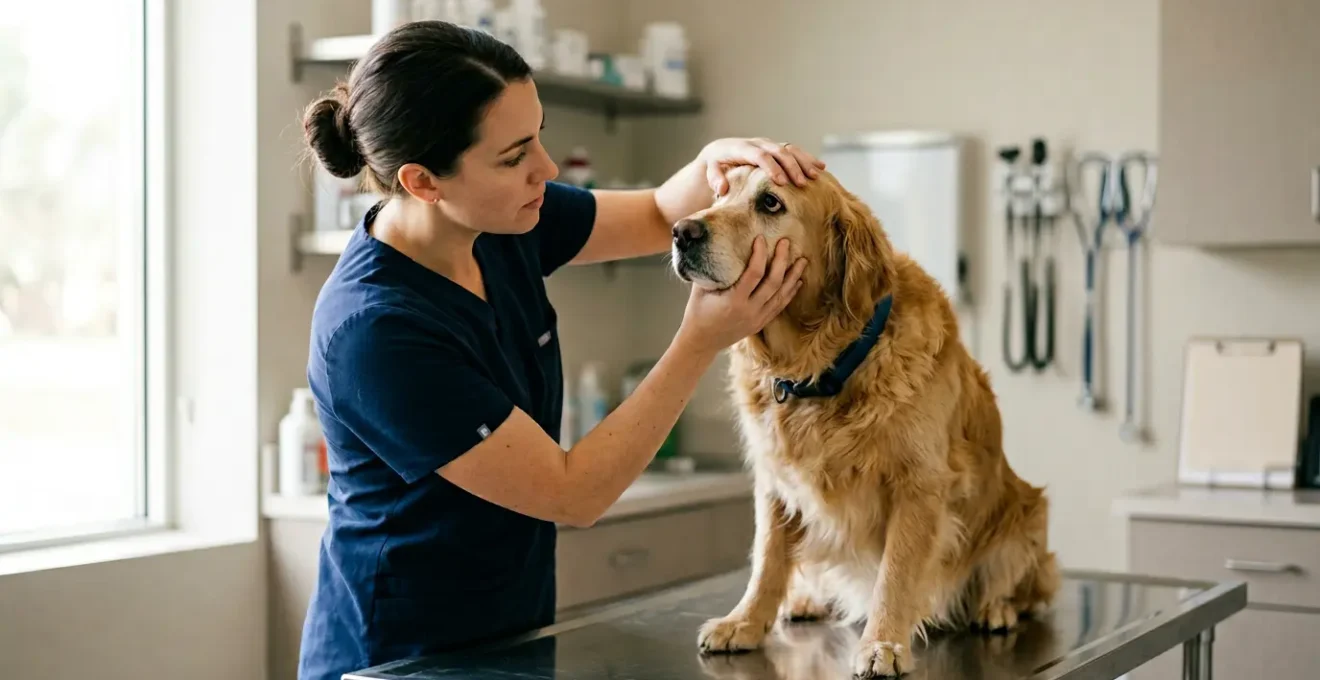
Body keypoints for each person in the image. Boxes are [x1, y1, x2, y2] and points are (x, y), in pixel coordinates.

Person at [296, 20, 820, 680]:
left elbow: (658, 215)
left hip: (510, 634)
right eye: (514, 156)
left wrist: (710, 162)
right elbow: (574, 494)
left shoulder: (503, 221)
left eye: (537, 136)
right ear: (425, 182)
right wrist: (700, 340)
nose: (544, 168)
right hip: (402, 657)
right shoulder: (377, 332)